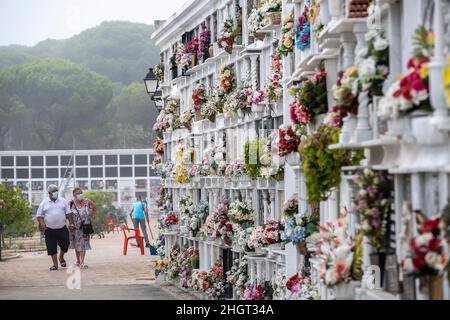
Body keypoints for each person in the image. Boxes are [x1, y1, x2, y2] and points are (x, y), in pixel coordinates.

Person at [36, 184, 74, 271]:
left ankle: (61, 257)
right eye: (54, 191)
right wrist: (42, 223)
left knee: (65, 244)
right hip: (49, 229)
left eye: (56, 191)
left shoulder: (63, 201)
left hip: (62, 228)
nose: (56, 193)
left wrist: (71, 224)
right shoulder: (44, 203)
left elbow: (68, 214)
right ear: (49, 193)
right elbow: (39, 215)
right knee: (51, 247)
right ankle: (55, 265)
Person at [68, 187, 96, 269]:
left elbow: (94, 207)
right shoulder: (71, 203)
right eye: (78, 193)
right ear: (74, 195)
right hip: (75, 227)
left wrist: (92, 215)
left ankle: (82, 262)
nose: (80, 194)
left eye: (81, 193)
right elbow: (67, 213)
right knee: (77, 244)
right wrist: (70, 223)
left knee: (83, 244)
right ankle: (78, 261)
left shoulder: (87, 201)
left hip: (85, 226)